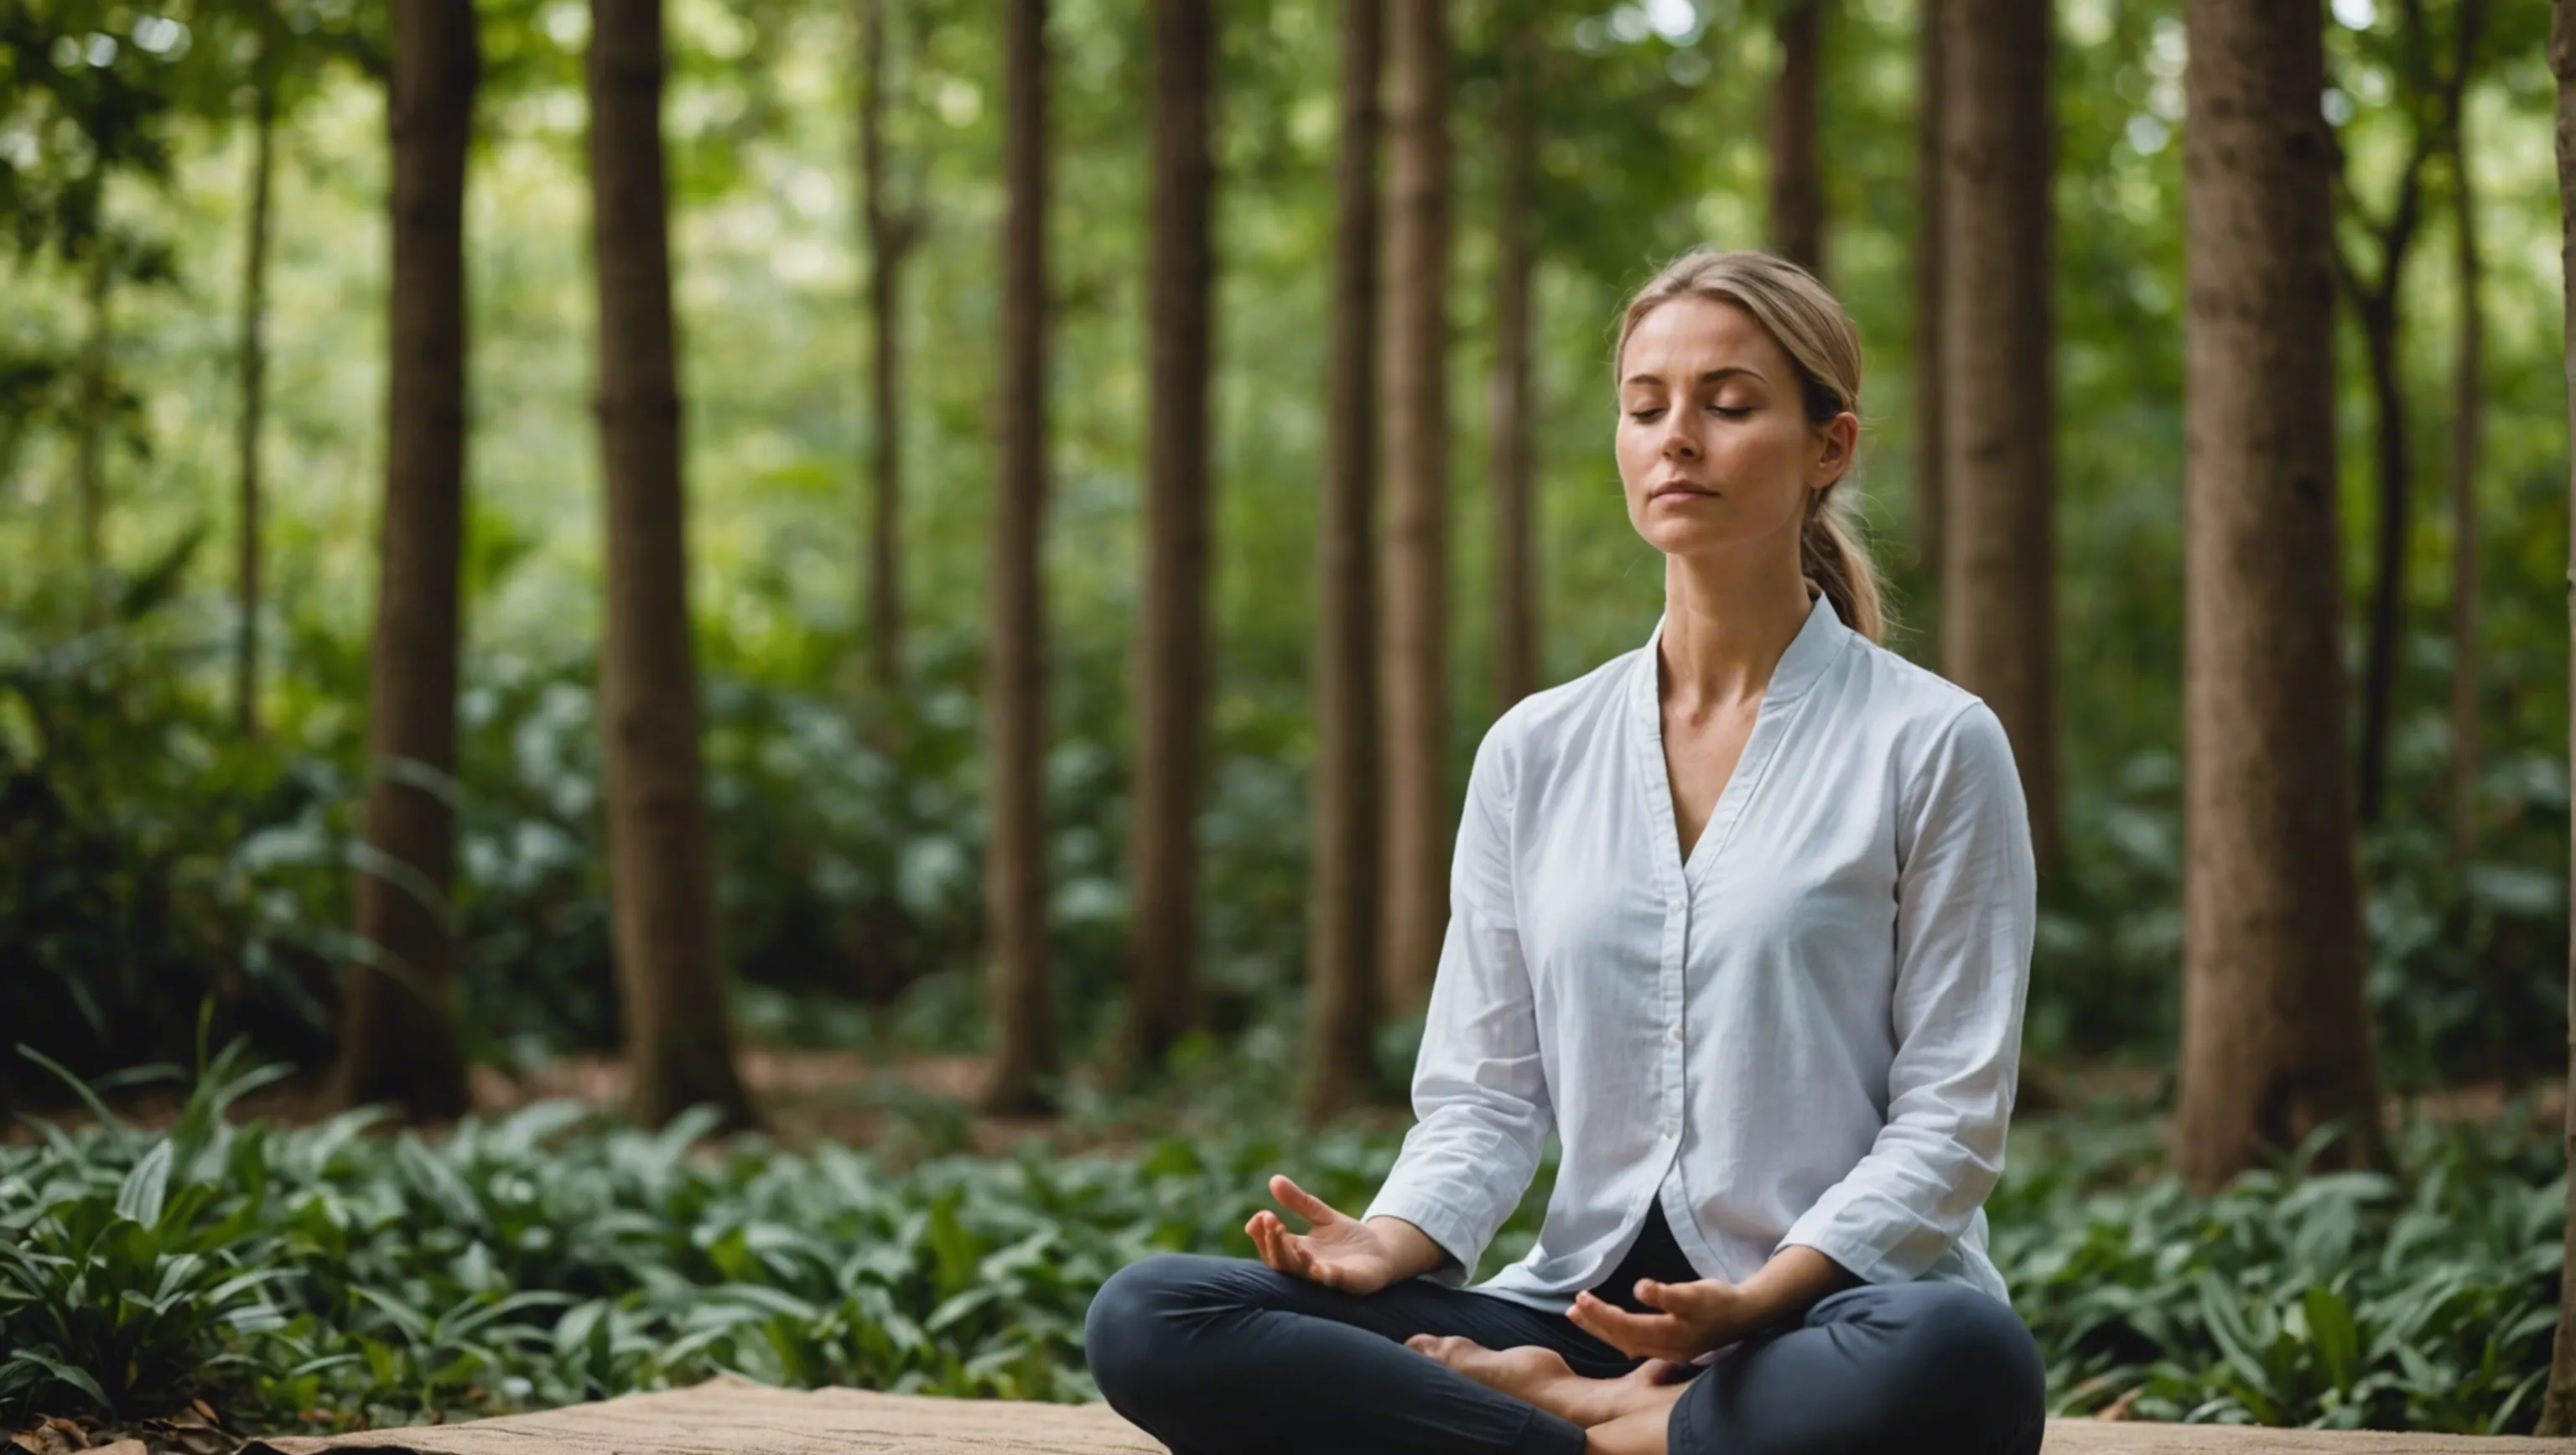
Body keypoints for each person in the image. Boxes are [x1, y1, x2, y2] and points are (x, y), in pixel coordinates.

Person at [1081, 247, 2049, 1455]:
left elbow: (1950, 1119)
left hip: (1829, 1314)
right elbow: (1486, 1093)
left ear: (1828, 447)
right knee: (1154, 1313)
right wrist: (1394, 1237)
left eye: (1729, 404)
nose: (1676, 437)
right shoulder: (1535, 750)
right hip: (1569, 1311)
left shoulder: (1934, 742)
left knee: (1966, 1364)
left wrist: (1757, 1298)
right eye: (1646, 407)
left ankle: (1578, 1425)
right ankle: (1616, 1427)